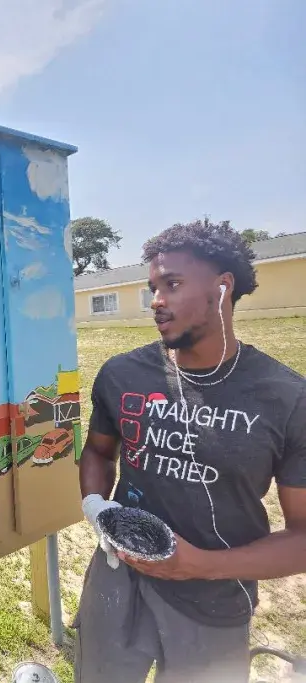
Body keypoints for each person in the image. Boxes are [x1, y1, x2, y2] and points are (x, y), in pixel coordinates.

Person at [73, 220, 306, 682]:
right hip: (117, 579)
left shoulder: (286, 398)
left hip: (215, 600)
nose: (156, 301)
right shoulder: (122, 375)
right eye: (153, 287)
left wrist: (201, 565)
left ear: (222, 289)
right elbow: (98, 452)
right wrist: (97, 508)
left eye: (172, 285)